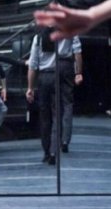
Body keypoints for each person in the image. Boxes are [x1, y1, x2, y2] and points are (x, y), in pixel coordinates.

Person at [27, 28, 83, 164]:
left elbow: (33, 64)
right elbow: (77, 51)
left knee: (44, 116)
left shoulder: (39, 38)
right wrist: (78, 72)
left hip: (44, 76)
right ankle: (59, 145)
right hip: (61, 70)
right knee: (60, 110)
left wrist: (30, 87)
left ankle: (46, 151)